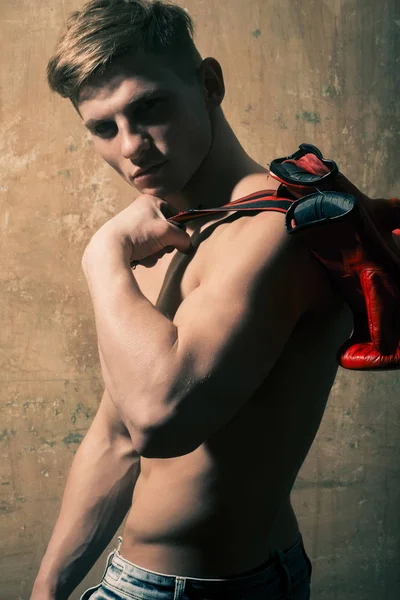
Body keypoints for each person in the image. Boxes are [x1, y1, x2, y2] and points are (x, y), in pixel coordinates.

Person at [31, 1, 351, 599]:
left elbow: (160, 421)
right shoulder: (167, 232)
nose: (130, 147)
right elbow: (116, 435)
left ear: (209, 84)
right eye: (103, 128)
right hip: (140, 580)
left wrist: (100, 254)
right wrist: (46, 590)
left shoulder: (277, 230)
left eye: (148, 107)